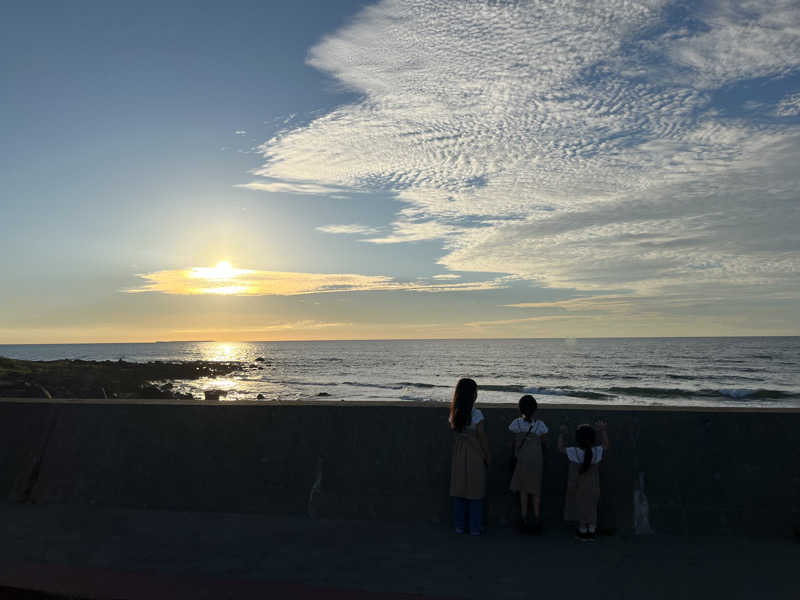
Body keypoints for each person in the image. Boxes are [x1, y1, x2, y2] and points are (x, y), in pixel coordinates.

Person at [449, 378, 490, 535]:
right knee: (476, 491)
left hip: (459, 453)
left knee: (459, 489)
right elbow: (481, 437)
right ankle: (475, 527)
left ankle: (459, 526)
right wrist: (487, 455)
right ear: (473, 395)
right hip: (474, 454)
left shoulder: (454, 412)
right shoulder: (477, 414)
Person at [558, 420, 609, 541]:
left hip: (578, 486)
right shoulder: (596, 452)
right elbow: (606, 445)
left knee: (580, 507)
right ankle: (591, 530)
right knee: (592, 507)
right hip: (593, 486)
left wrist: (562, 433)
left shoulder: (574, 451)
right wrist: (603, 430)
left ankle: (582, 530)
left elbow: (560, 448)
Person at [508, 394, 548, 533]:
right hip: (536, 460)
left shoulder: (516, 424)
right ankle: (537, 520)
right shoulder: (540, 425)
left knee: (523, 491)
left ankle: (523, 519)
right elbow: (544, 442)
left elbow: (513, 441)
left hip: (522, 460)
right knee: (536, 491)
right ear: (535, 409)